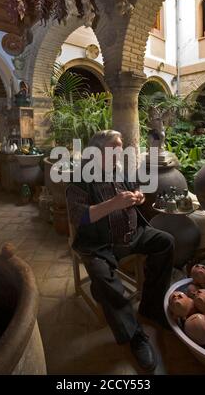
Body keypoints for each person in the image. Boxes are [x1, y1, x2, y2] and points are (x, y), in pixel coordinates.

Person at [66, 130, 175, 371]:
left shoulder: (121, 170)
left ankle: (152, 306)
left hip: (133, 234)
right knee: (103, 278)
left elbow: (139, 193)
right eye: (113, 147)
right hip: (99, 243)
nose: (119, 152)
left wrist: (138, 197)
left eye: (120, 147)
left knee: (165, 242)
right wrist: (114, 203)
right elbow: (78, 216)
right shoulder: (81, 176)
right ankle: (134, 335)